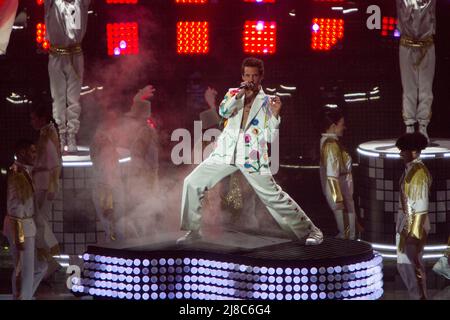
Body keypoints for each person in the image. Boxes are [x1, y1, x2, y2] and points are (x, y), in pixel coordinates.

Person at [177, 57, 323, 245]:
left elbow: (270, 137)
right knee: (192, 182)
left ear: (261, 77)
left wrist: (276, 115)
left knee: (273, 197)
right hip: (226, 152)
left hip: (252, 156)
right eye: (247, 75)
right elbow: (223, 112)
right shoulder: (233, 94)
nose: (250, 80)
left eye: (254, 76)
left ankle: (311, 231)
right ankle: (193, 231)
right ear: (242, 76)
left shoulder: (268, 102)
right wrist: (239, 96)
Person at [3, 140, 48, 299]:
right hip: (20, 226)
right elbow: (15, 206)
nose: (35, 155)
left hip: (25, 225)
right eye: (32, 152)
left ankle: (22, 296)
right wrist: (19, 237)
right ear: (22, 153)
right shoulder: (16, 173)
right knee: (24, 271)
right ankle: (23, 296)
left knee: (39, 267)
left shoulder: (24, 172)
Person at [44, 0, 91, 152]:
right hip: (56, 55)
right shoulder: (52, 3)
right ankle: (61, 133)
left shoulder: (81, 3)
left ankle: (71, 136)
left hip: (75, 55)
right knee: (58, 97)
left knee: (74, 98)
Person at [395, 132, 431, 299]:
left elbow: (421, 207)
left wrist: (413, 235)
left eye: (404, 150)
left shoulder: (418, 173)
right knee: (405, 266)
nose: (400, 153)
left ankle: (419, 297)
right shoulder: (412, 170)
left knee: (414, 267)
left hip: (413, 228)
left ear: (414, 151)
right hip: (406, 225)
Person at [30, 104, 62, 278]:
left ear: (42, 118)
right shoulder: (46, 133)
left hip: (44, 184)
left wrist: (52, 186)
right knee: (39, 222)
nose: (32, 121)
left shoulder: (47, 134)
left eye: (34, 118)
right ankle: (49, 261)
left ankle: (49, 261)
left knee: (39, 222)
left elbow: (54, 163)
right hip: (42, 183)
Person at [397, 0, 436, 141]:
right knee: (409, 88)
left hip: (427, 45)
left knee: (426, 88)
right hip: (407, 45)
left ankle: (423, 126)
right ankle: (409, 125)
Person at [319, 108, 356, 240]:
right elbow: (332, 176)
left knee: (347, 231)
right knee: (346, 233)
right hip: (340, 191)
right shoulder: (331, 145)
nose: (344, 127)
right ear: (333, 126)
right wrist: (339, 200)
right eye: (341, 124)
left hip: (342, 189)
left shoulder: (332, 143)